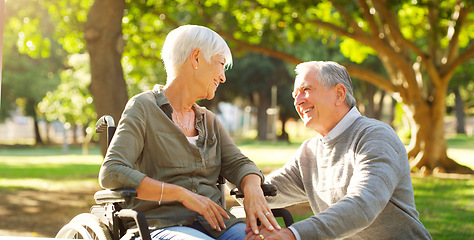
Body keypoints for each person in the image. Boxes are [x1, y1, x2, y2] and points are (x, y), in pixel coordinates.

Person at [99, 25, 280, 240]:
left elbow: (239, 164)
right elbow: (112, 171)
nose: (223, 77)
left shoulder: (209, 120)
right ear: (196, 58)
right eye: (221, 64)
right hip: (161, 225)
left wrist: (252, 189)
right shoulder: (144, 107)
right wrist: (181, 194)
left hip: (217, 225)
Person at [245, 61, 431, 240]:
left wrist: (294, 234)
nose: (298, 101)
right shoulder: (309, 151)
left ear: (339, 94)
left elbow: (363, 205)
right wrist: (230, 166)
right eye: (295, 95)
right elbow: (262, 194)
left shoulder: (375, 136)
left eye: (306, 90)